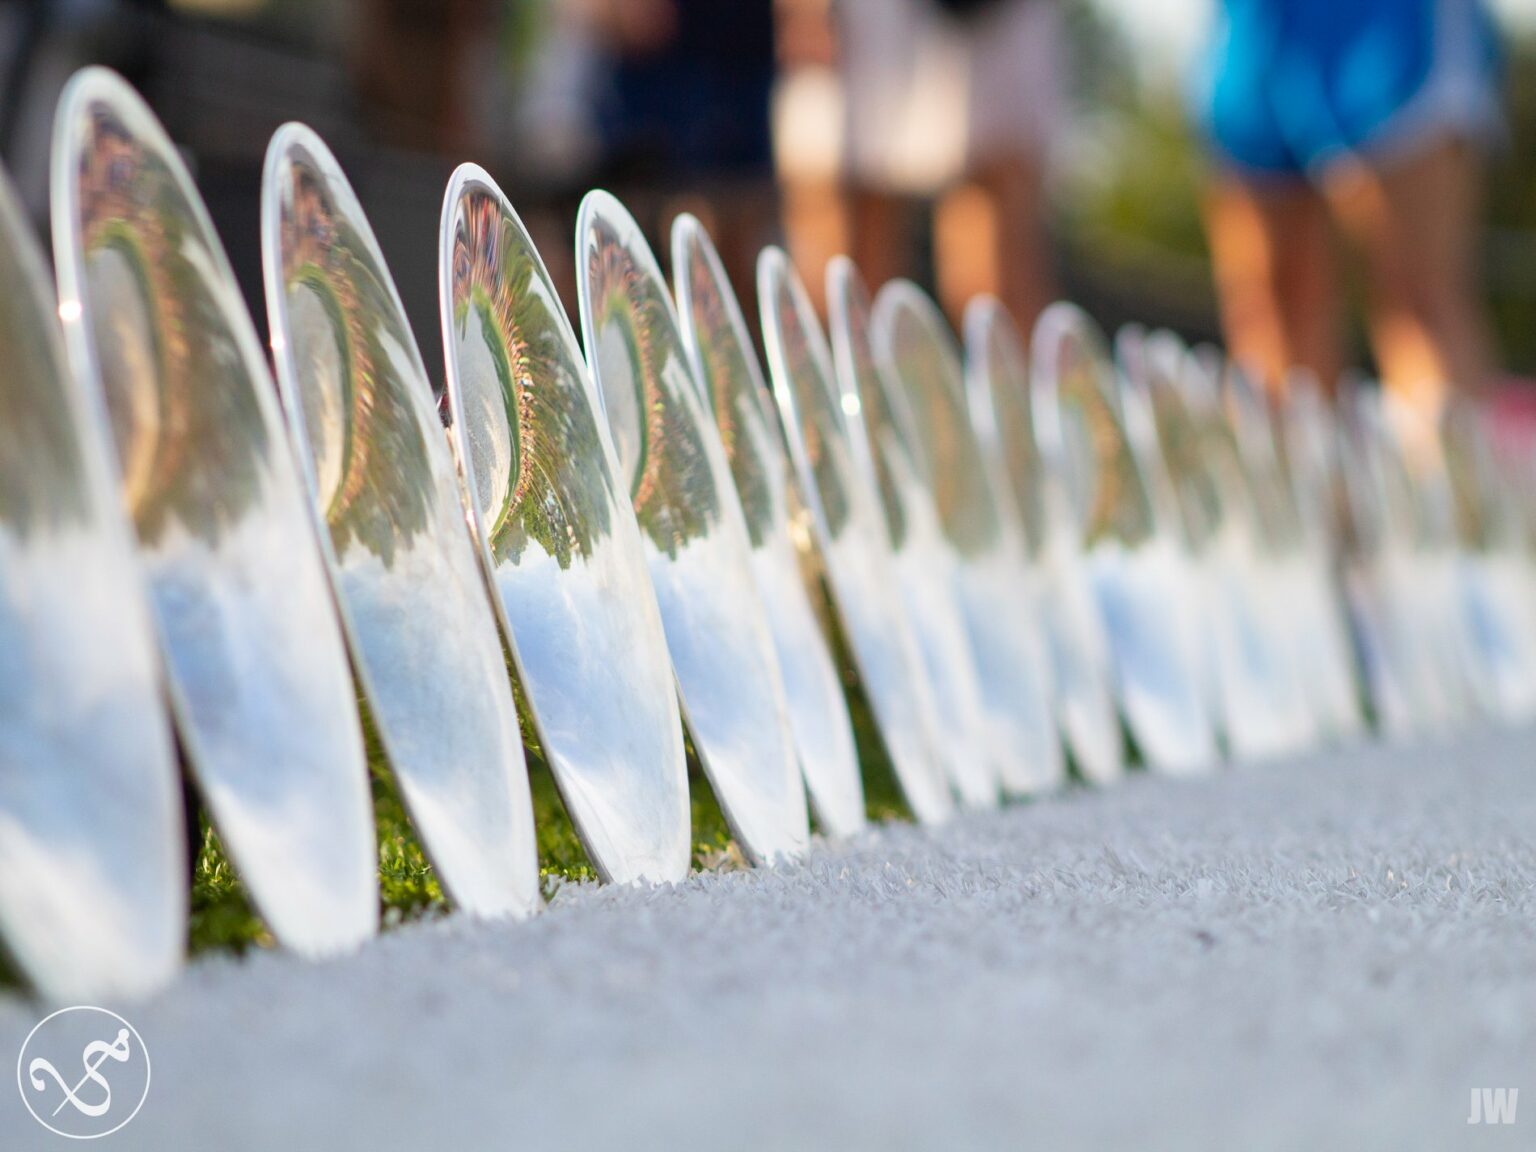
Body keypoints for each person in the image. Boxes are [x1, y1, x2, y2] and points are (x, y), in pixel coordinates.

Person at [1194, 0, 1505, 428]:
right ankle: (1298, 487)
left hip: (1392, 19)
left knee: (1417, 297)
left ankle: (1442, 487)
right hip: (1259, 18)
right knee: (1266, 301)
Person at [781, 0, 1062, 329]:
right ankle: (844, 372)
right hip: (863, 15)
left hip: (992, 16)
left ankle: (1010, 374)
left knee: (998, 244)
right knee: (841, 230)